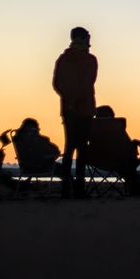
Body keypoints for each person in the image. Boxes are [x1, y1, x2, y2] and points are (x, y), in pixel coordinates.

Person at [53, 26, 97, 198]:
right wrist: (75, 101)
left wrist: (68, 100)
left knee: (70, 146)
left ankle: (66, 186)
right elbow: (88, 83)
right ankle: (78, 187)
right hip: (83, 108)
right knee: (81, 148)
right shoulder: (90, 59)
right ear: (83, 38)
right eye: (87, 37)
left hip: (69, 108)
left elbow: (57, 84)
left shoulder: (63, 59)